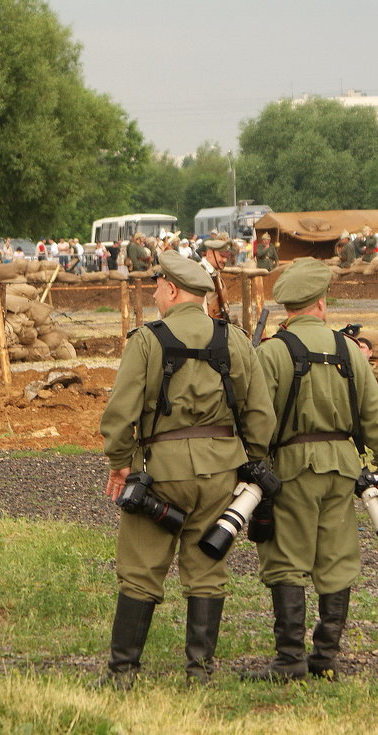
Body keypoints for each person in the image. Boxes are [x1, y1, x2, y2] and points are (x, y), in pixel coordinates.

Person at [98, 250, 276, 687]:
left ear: (173, 290)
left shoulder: (146, 340)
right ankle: (200, 672)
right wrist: (248, 464)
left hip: (160, 472)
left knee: (141, 568)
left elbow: (121, 414)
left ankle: (123, 672)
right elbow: (259, 413)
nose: (156, 292)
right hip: (220, 472)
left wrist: (120, 465)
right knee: (207, 567)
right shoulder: (232, 339)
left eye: (158, 286)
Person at [248, 258, 378, 681]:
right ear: (321, 302)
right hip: (344, 469)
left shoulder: (273, 352)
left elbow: (257, 418)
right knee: (336, 556)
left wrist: (254, 466)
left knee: (287, 558)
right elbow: (375, 413)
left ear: (288, 307)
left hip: (291, 468)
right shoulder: (349, 350)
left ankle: (290, 659)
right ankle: (326, 657)